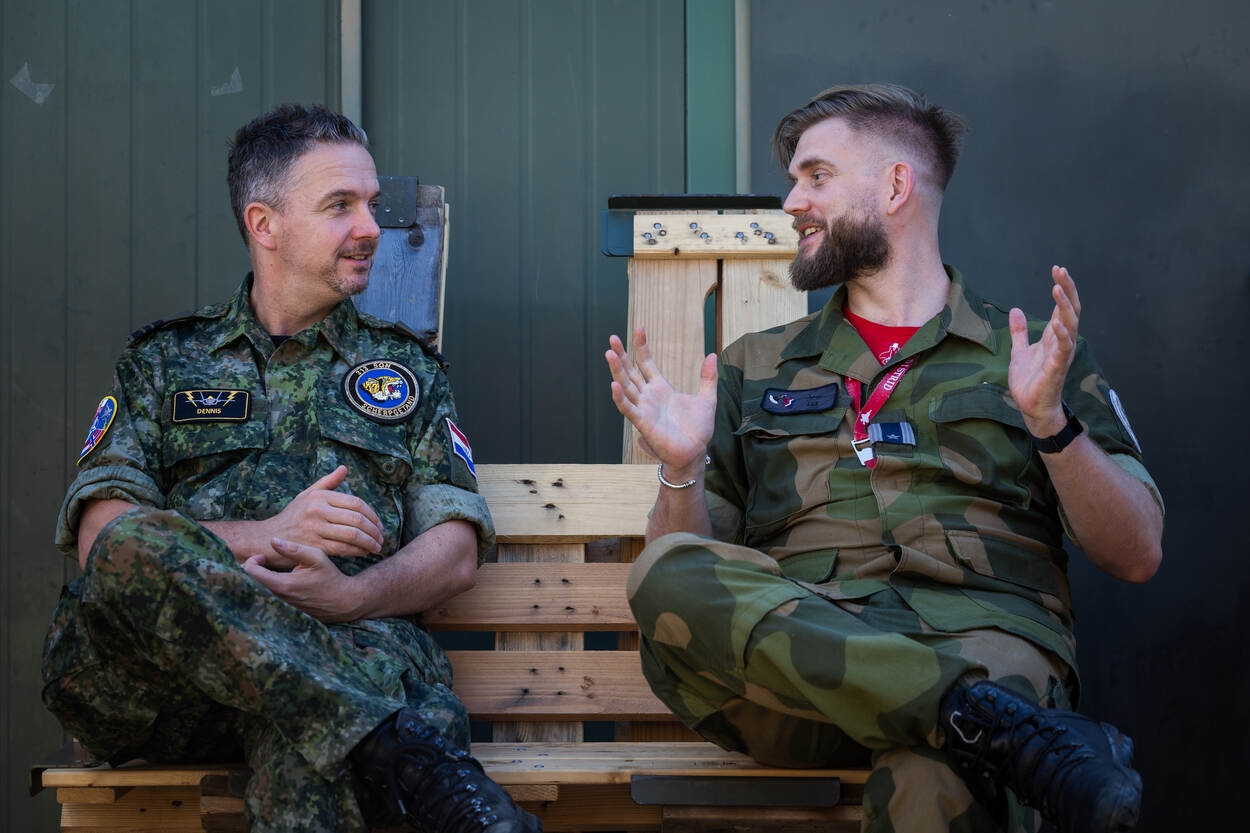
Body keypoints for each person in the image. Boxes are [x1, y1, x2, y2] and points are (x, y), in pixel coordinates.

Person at [605, 84, 1163, 833]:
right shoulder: (753, 366)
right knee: (665, 567)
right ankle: (982, 719)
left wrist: (1050, 424)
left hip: (983, 635)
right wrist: (680, 467)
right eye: (794, 181)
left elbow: (1136, 552)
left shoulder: (1030, 356)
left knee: (934, 776)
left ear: (896, 186)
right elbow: (696, 571)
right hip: (806, 671)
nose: (793, 202)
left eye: (817, 176)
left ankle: (968, 719)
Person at [42, 104, 540, 833]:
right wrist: (271, 532)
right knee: (131, 544)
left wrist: (353, 595)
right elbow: (105, 539)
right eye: (341, 206)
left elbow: (456, 548)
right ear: (264, 224)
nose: (370, 227)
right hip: (170, 682)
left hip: (350, 648)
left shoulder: (406, 370)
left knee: (308, 739)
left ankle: (363, 734)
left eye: (371, 204)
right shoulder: (165, 362)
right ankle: (390, 746)